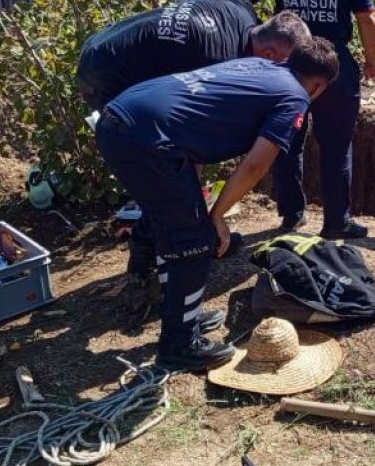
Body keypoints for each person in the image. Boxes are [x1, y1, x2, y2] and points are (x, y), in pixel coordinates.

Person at [96, 39, 340, 371]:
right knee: (194, 241)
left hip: (122, 117)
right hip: (146, 139)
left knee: (175, 225)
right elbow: (255, 165)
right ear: (318, 85)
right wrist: (216, 216)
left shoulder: (261, 67)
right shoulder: (294, 97)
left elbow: (193, 118)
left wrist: (199, 201)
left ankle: (184, 317)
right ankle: (179, 346)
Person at [262, 0, 375, 240]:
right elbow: (366, 16)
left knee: (285, 139)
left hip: (288, 64)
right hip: (333, 63)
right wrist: (372, 62)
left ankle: (291, 214)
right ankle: (335, 222)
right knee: (336, 144)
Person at [76, 0, 303, 112]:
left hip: (102, 39)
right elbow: (191, 121)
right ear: (270, 55)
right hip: (104, 71)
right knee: (133, 138)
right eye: (284, 64)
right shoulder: (223, 62)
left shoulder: (241, 12)